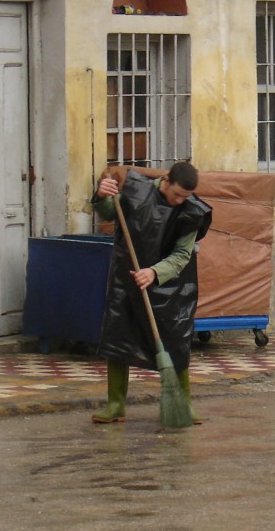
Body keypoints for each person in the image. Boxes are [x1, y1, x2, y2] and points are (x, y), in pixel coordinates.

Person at [90, 162, 212, 424]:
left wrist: (155, 273)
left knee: (176, 344)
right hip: (128, 278)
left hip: (171, 287)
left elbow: (182, 255)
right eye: (177, 194)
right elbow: (109, 211)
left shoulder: (191, 210)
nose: (180, 201)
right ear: (166, 181)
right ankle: (115, 405)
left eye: (186, 196)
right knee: (119, 338)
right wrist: (101, 195)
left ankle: (184, 405)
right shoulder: (136, 192)